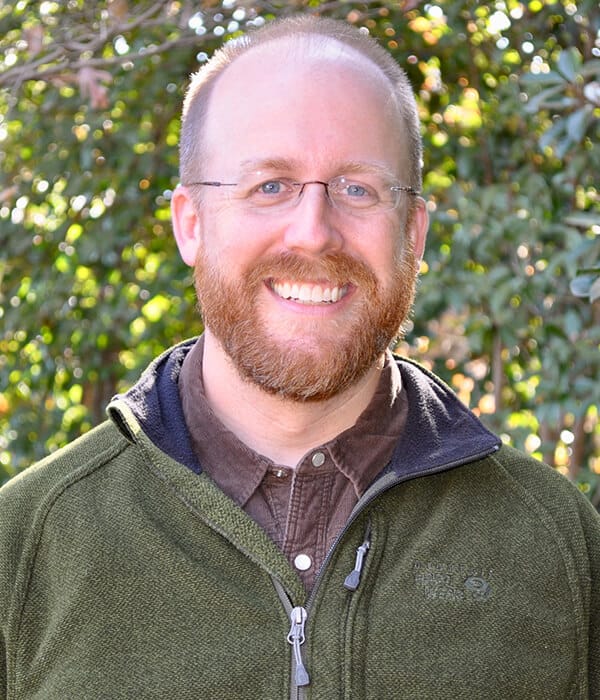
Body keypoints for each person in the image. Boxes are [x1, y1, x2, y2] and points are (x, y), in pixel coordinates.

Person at [0, 14, 598, 699]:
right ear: (190, 223)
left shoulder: (556, 541)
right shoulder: (24, 547)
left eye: (357, 189)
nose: (313, 232)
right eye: (270, 186)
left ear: (414, 232)